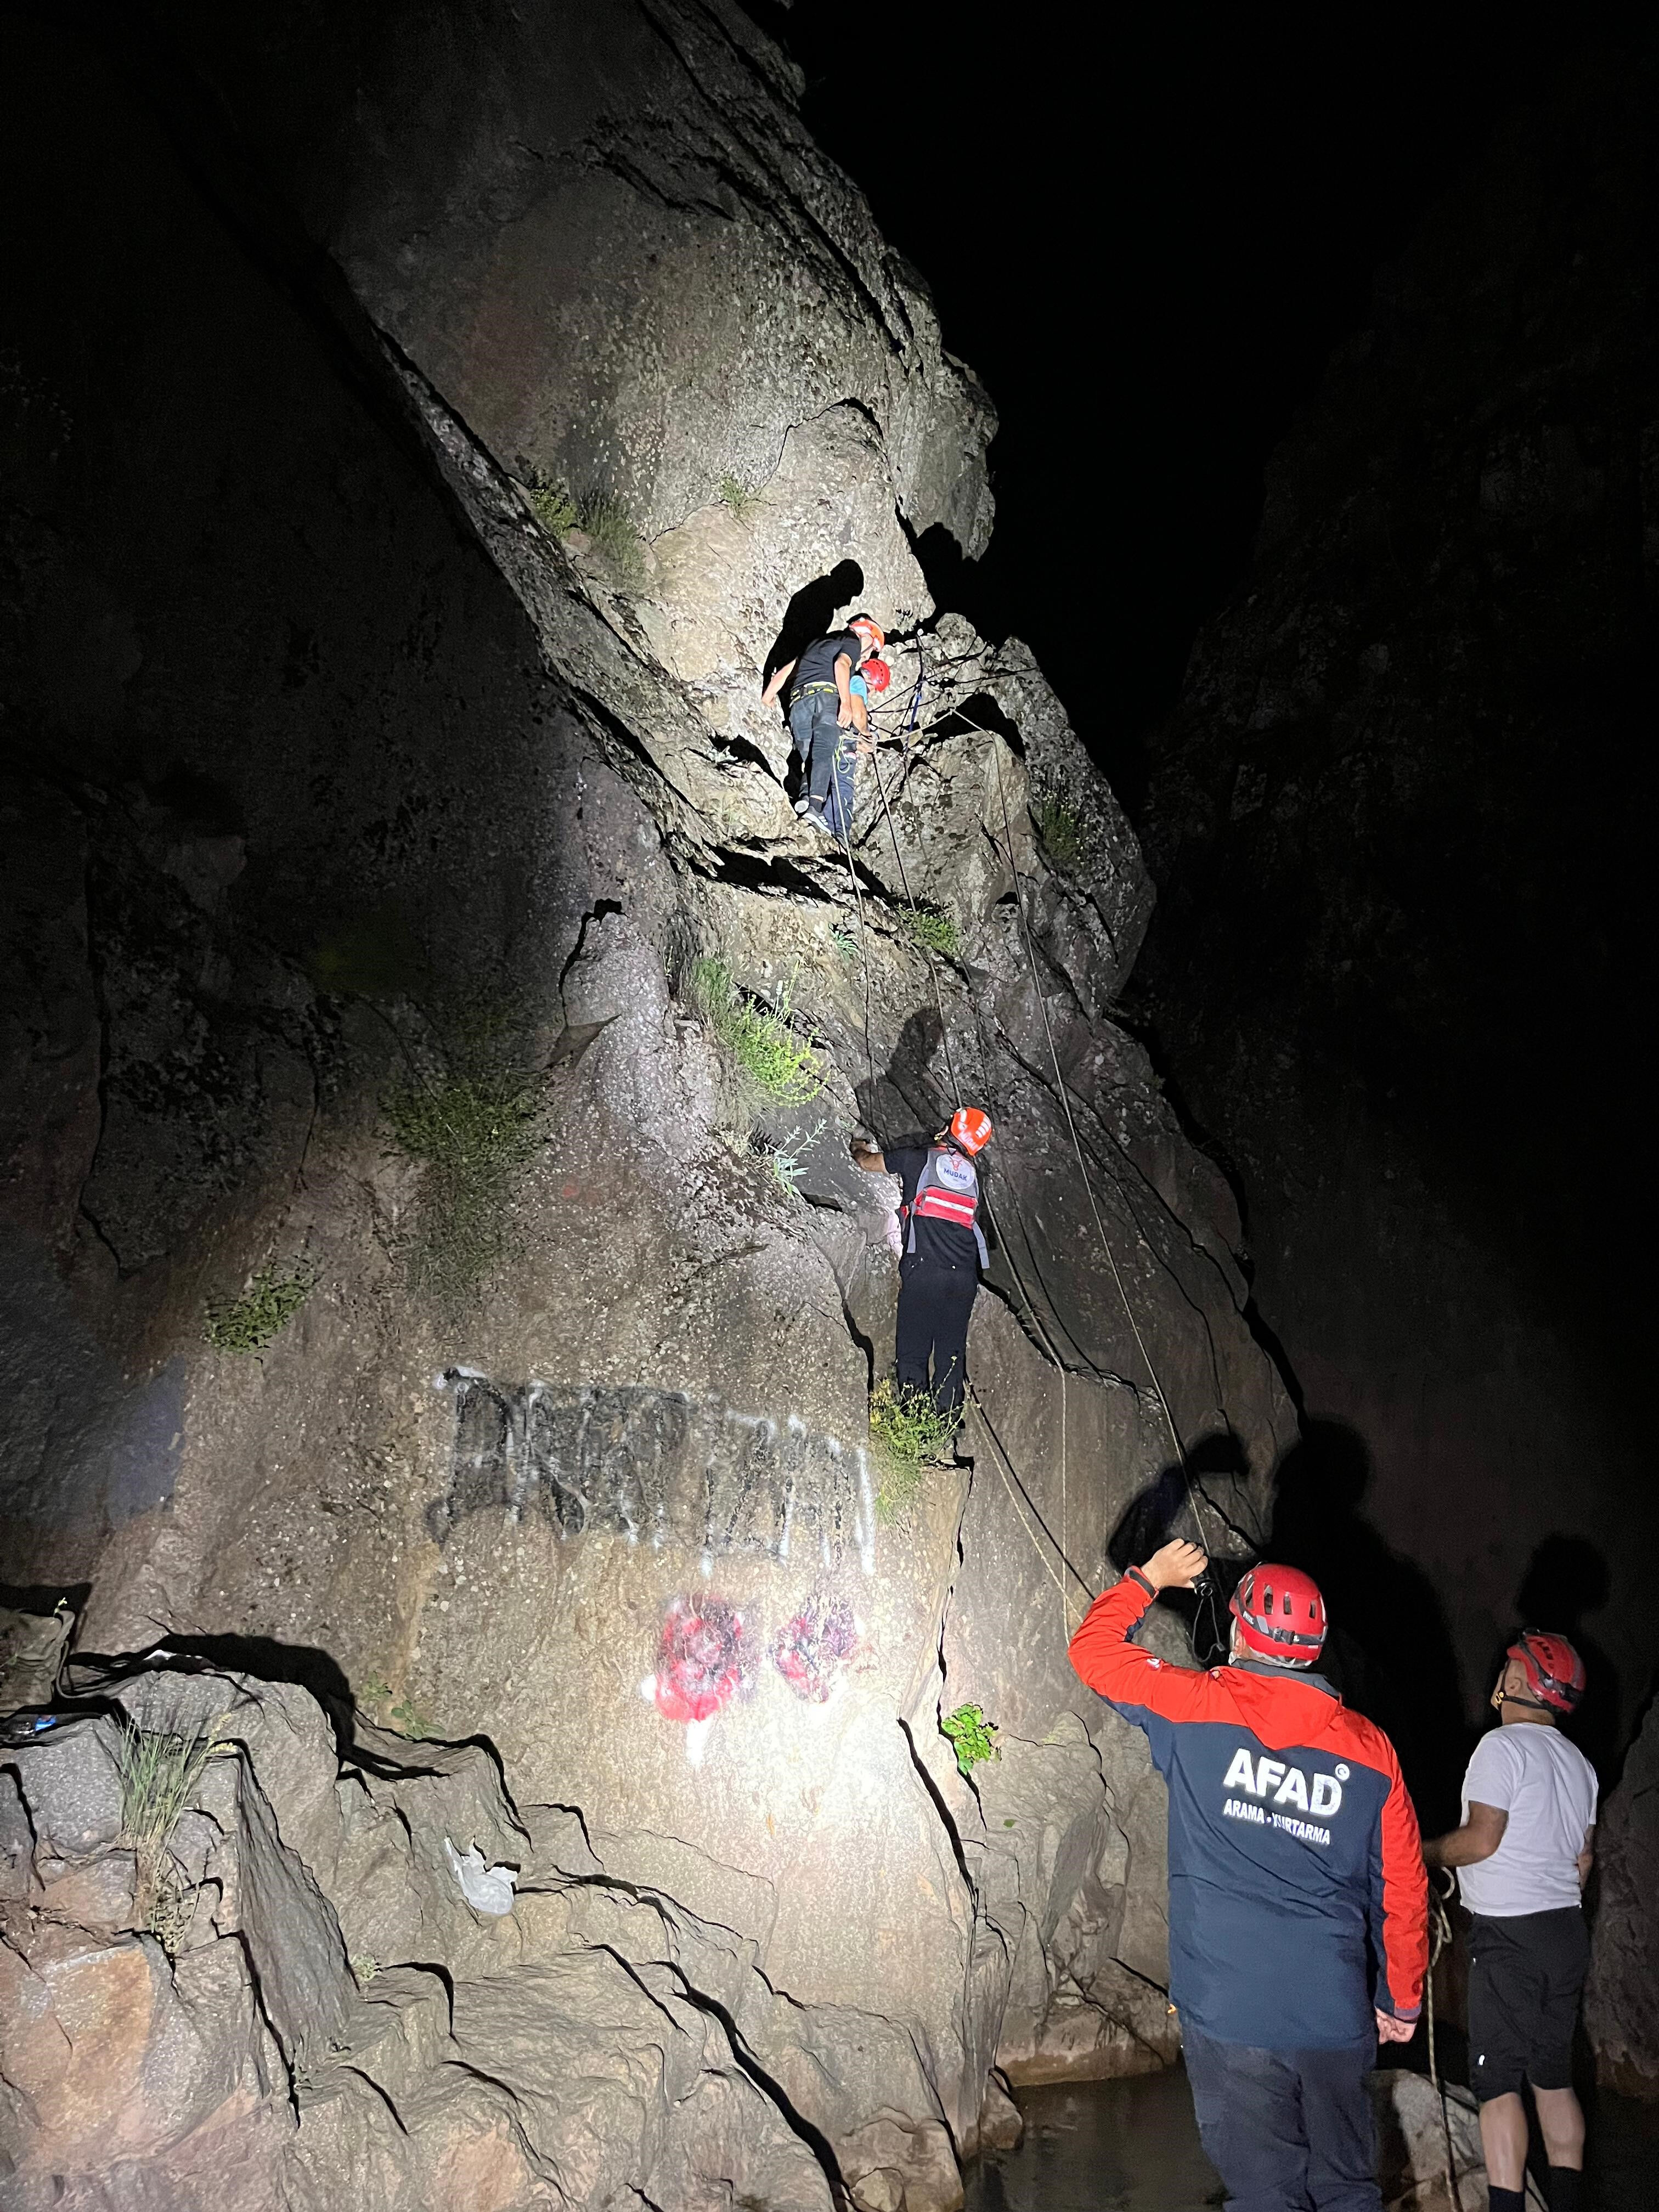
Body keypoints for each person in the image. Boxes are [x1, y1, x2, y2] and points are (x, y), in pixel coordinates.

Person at [1069, 1541, 1427, 2212]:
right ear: (1315, 1648)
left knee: (1265, 2196)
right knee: (1348, 2191)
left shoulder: (1192, 1705)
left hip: (1230, 2010)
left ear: (1239, 1631)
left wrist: (1148, 1580)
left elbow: (1093, 1653)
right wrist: (1400, 1996)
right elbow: (1402, 1887)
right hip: (1333, 2008)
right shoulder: (1371, 1749)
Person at [1424, 1632, 1596, 2212]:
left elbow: (1479, 1841)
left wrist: (1418, 1853)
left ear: (1517, 1684)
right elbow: (1583, 1861)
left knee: (1497, 2085)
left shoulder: (1501, 1749)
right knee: (1553, 2075)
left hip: (1510, 1936)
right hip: (1565, 1933)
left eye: (1507, 1668)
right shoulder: (1579, 1764)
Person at [851, 1105, 993, 1424]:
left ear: (950, 1130)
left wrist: (857, 1147)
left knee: (914, 1350)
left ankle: (915, 1428)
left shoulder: (920, 1158)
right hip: (964, 1278)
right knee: (951, 1354)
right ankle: (947, 1428)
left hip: (926, 1271)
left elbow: (868, 1164)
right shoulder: (974, 1179)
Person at [761, 613, 885, 836]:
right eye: (871, 648)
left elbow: (789, 669)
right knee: (824, 750)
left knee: (810, 755)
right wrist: (845, 703)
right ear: (867, 636)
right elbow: (842, 664)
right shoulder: (852, 642)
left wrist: (769, 696)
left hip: (798, 702)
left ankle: (807, 799)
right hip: (825, 695)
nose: (867, 654)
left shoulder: (819, 643)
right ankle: (816, 808)